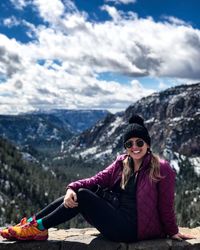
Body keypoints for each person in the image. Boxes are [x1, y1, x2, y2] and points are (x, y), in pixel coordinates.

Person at [0, 115, 194, 242]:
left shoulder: (162, 168)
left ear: (148, 144)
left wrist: (172, 230)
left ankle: (37, 228)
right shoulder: (122, 163)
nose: (134, 146)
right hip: (118, 217)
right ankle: (32, 224)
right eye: (129, 143)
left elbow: (165, 205)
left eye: (139, 142)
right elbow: (96, 179)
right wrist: (71, 188)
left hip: (133, 230)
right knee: (80, 192)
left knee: (83, 196)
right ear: (125, 146)